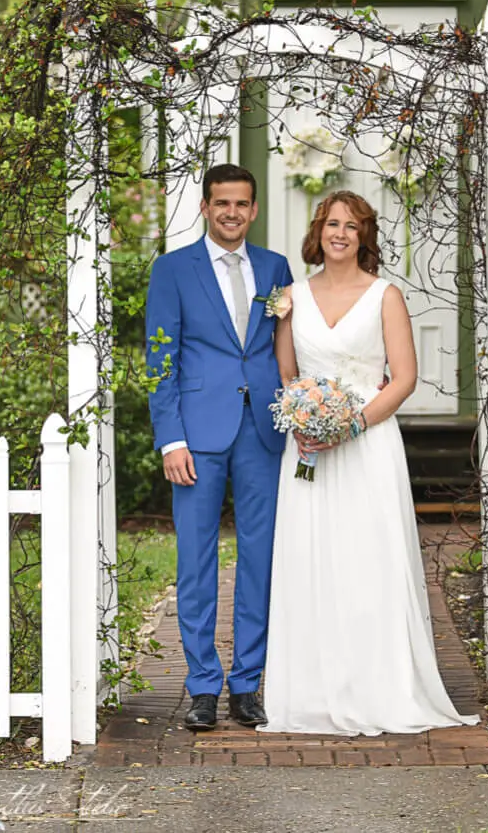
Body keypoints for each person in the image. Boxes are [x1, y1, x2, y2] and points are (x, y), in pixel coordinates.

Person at [260, 190, 478, 735]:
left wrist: (351, 424)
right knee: (310, 561)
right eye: (332, 223)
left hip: (368, 444)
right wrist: (306, 420)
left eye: (351, 226)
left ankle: (379, 688)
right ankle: (311, 693)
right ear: (319, 231)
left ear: (364, 237)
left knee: (367, 562)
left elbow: (403, 377)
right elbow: (288, 374)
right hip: (308, 449)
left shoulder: (386, 296)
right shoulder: (289, 298)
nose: (340, 233)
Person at [145, 162, 292, 731]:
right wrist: (170, 438)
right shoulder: (172, 270)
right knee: (196, 561)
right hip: (197, 435)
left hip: (262, 430)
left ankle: (247, 683)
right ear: (206, 207)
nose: (232, 213)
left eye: (242, 204)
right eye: (221, 203)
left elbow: (282, 347)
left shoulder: (276, 268)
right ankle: (203, 684)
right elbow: (161, 360)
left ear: (253, 210)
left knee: (260, 558)